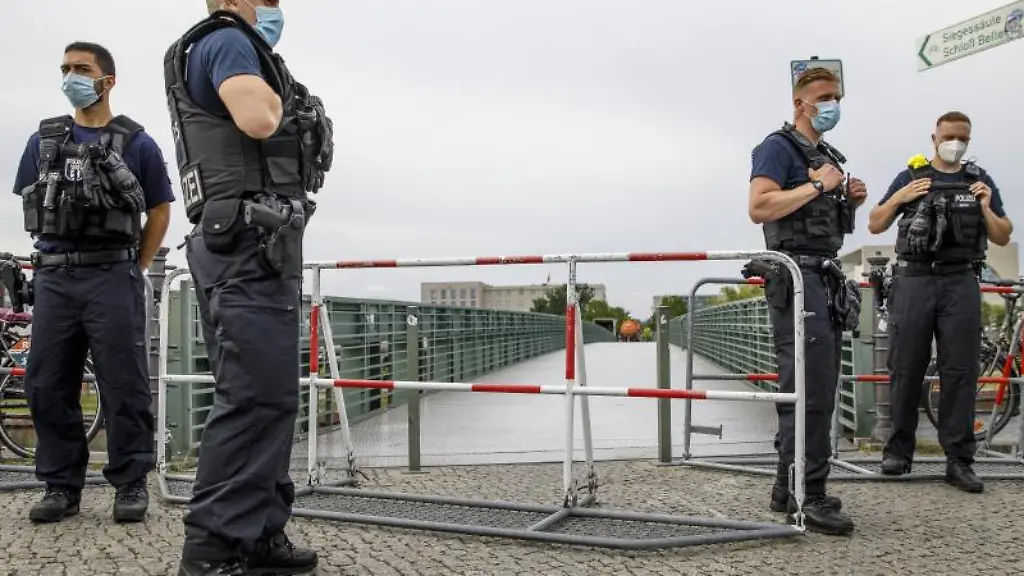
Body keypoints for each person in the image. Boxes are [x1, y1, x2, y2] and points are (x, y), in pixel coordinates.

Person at [163, 1, 334, 574]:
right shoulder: (229, 40)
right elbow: (259, 120)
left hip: (252, 243)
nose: (277, 8)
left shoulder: (230, 44)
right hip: (246, 247)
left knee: (272, 398)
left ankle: (261, 533)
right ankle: (212, 548)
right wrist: (290, 103)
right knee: (253, 398)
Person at [11, 42, 174, 523]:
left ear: (108, 80)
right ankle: (61, 486)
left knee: (125, 384)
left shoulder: (136, 142)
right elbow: (31, 197)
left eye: (82, 68)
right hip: (56, 275)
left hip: (112, 273)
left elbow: (160, 209)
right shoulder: (43, 141)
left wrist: (135, 266)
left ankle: (130, 483)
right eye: (65, 68)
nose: (71, 76)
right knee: (46, 383)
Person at [746, 67, 866, 536]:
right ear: (801, 104)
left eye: (837, 96)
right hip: (795, 274)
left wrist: (847, 197)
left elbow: (822, 221)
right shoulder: (778, 147)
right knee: (811, 389)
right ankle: (809, 495)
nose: (833, 104)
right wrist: (818, 186)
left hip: (823, 273)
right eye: (825, 96)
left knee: (816, 384)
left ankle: (786, 486)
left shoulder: (827, 154)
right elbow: (760, 206)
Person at [867, 111, 1013, 492]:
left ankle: (960, 460)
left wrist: (984, 207)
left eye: (963, 137)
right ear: (934, 137)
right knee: (905, 367)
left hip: (960, 279)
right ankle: (897, 453)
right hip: (914, 279)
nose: (956, 143)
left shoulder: (979, 181)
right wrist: (901, 196)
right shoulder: (911, 177)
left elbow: (1002, 234)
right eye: (950, 136)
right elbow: (875, 223)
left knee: (960, 371)